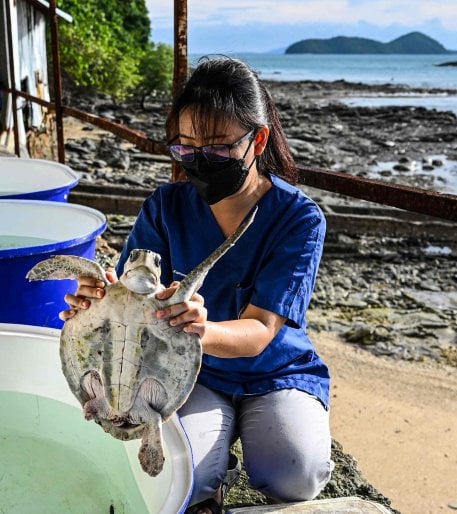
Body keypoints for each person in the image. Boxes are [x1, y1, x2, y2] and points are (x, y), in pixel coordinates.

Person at [60, 56, 332, 513]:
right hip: (186, 371)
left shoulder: (299, 218)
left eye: (218, 149)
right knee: (183, 480)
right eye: (184, 148)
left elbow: (261, 331)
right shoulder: (165, 207)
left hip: (274, 371)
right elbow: (129, 295)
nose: (198, 162)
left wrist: (202, 328)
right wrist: (95, 303)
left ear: (258, 138)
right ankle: (213, 483)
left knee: (295, 472)